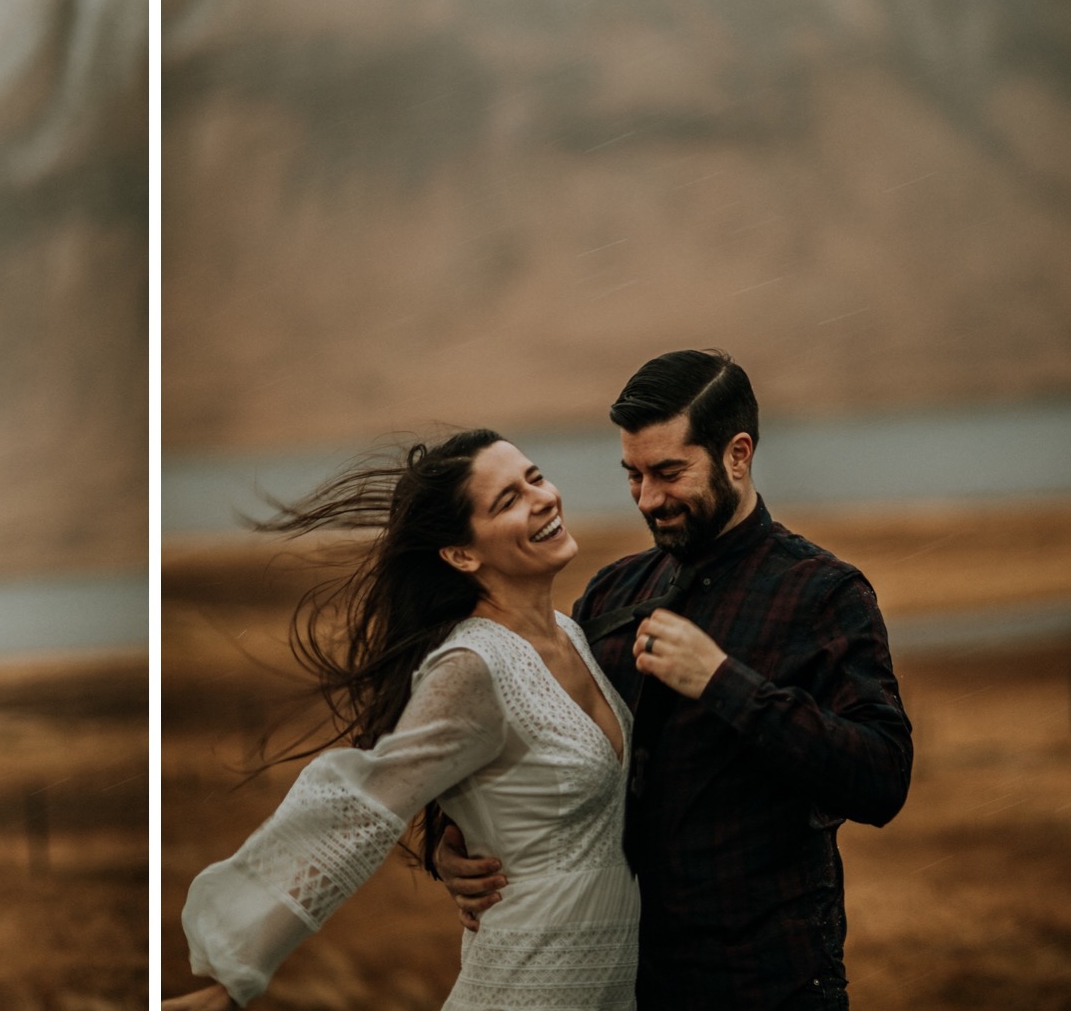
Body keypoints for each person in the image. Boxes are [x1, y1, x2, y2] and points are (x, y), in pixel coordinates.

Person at [436, 350, 913, 1009]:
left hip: (769, 987)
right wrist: (451, 844)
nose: (647, 498)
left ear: (737, 454)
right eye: (632, 474)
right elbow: (539, 739)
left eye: (668, 472)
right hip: (621, 984)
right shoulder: (611, 591)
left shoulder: (824, 594)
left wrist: (724, 681)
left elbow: (883, 776)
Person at [164, 429, 641, 1011]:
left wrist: (450, 837)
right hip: (522, 988)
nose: (541, 498)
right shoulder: (474, 667)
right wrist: (234, 977)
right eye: (507, 500)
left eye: (534, 478)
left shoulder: (573, 634)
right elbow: (365, 805)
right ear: (462, 554)